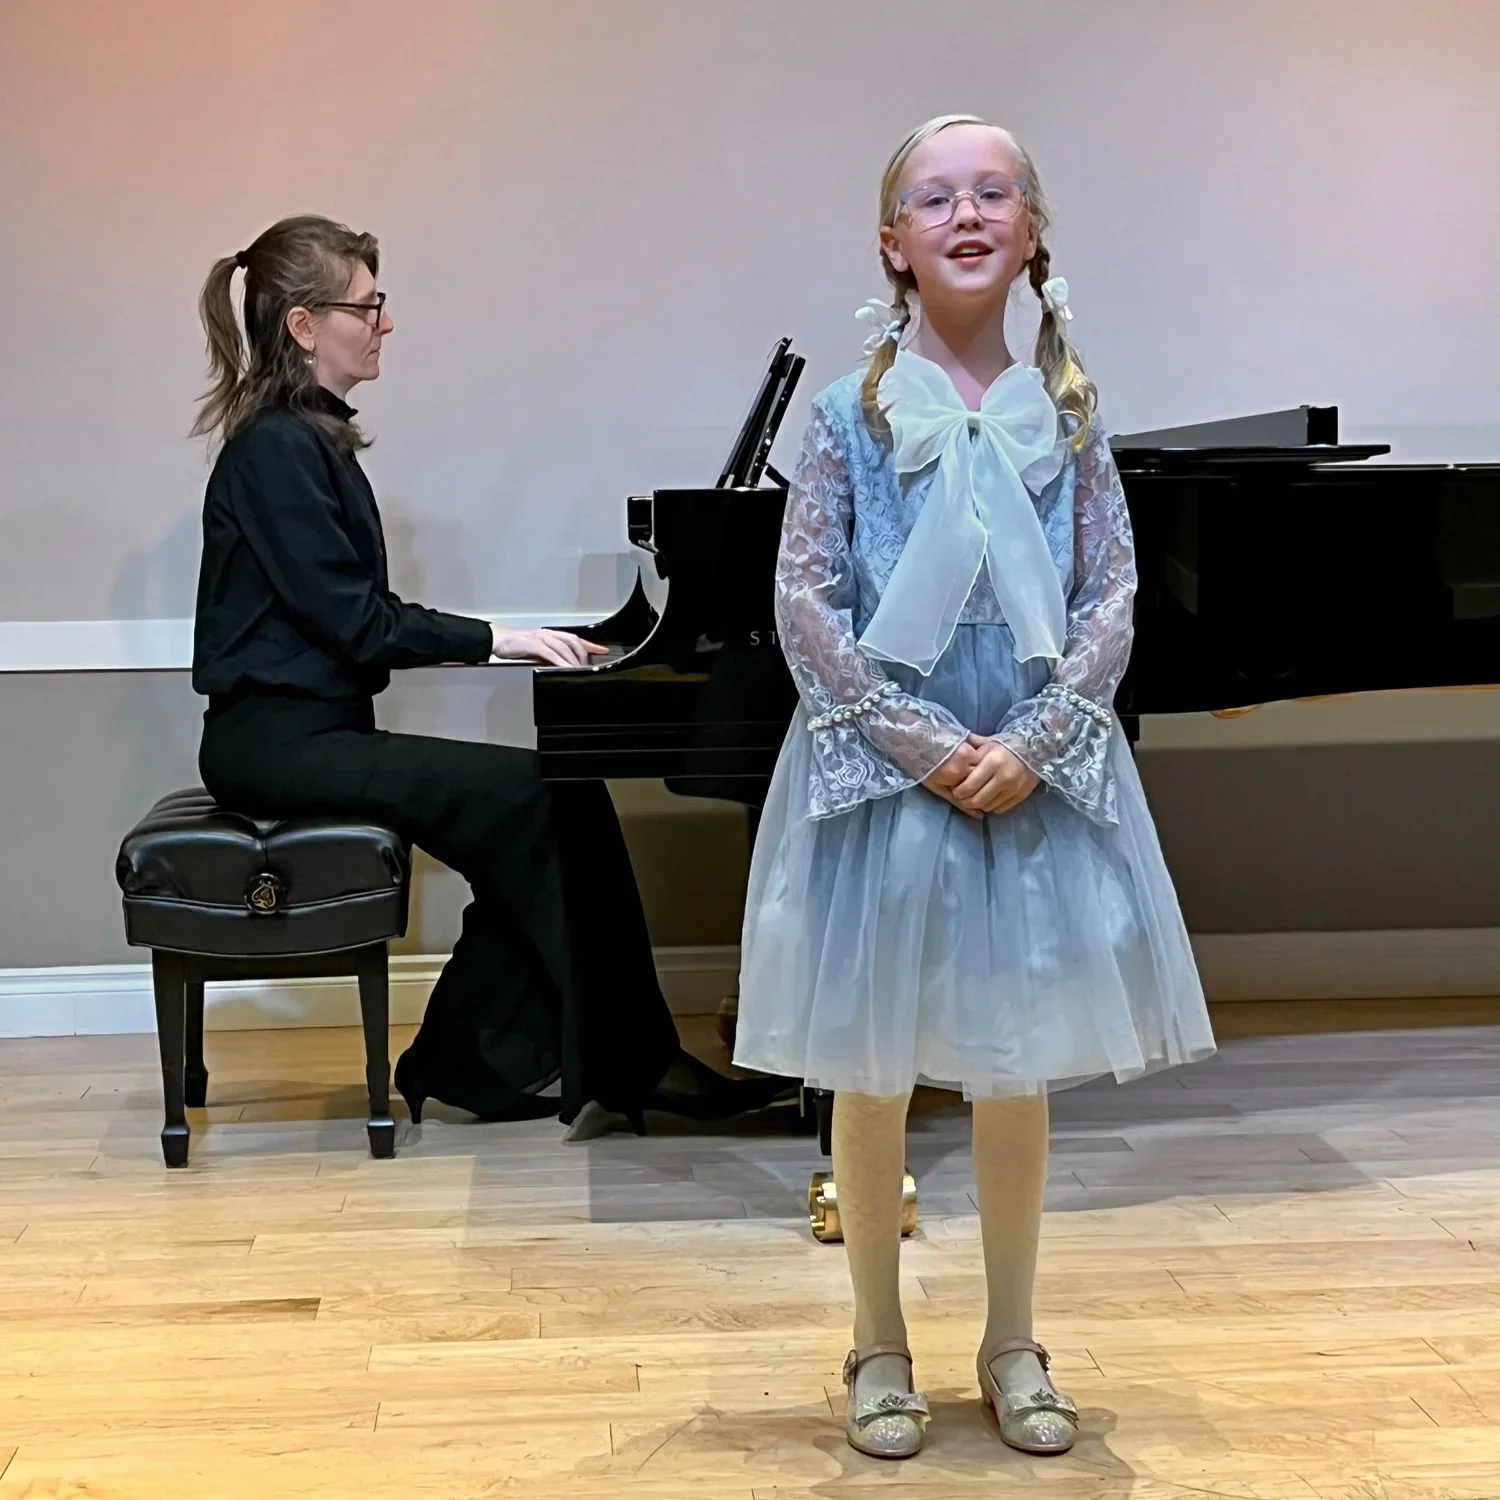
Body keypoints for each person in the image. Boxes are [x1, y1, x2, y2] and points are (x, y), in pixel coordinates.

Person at [733, 117, 1215, 1458]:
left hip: (1028, 768)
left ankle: (1012, 1337)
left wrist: (1040, 740)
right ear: (892, 243)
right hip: (891, 775)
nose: (965, 214)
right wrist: (921, 742)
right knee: (873, 1066)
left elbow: (1111, 592)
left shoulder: (1072, 411)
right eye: (933, 198)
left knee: (1019, 1062)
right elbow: (806, 601)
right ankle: (876, 1340)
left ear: (1031, 232)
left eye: (992, 192)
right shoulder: (848, 414)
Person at [191, 214, 784, 1135]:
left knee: (555, 799)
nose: (386, 323)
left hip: (311, 735)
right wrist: (505, 639)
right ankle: (627, 1064)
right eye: (367, 306)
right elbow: (358, 623)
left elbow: (350, 618)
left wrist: (515, 639)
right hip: (274, 746)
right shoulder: (276, 450)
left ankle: (477, 1059)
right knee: (537, 797)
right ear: (304, 325)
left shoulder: (304, 441)